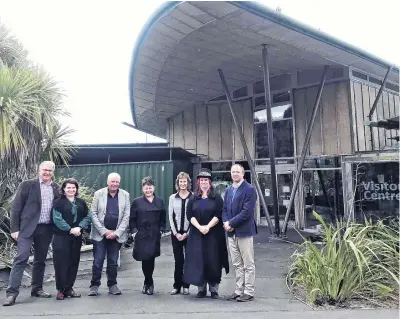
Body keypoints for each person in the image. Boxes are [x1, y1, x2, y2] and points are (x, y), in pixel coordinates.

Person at [3, 161, 60, 307]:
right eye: (44, 170)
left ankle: (37, 289)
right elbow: (16, 207)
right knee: (21, 257)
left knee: (40, 260)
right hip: (26, 228)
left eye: (49, 170)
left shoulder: (55, 188)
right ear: (39, 170)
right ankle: (11, 294)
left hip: (46, 229)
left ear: (52, 172)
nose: (46, 172)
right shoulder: (28, 185)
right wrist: (14, 229)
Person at [183, 168, 229, 299]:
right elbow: (189, 215)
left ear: (210, 182)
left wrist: (208, 226)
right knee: (199, 261)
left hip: (213, 235)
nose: (204, 182)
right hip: (197, 235)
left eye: (206, 180)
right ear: (198, 182)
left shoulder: (216, 197)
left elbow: (219, 214)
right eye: (201, 180)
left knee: (213, 261)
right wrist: (199, 227)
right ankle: (201, 288)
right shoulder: (193, 198)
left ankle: (214, 289)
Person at [88, 173, 130, 296]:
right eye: (112, 182)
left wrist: (116, 233)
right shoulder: (98, 194)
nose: (115, 184)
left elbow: (126, 216)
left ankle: (112, 285)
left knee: (113, 262)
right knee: (98, 261)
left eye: (117, 182)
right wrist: (104, 231)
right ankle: (94, 285)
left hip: (116, 235)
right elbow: (93, 214)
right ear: (107, 182)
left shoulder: (125, 195)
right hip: (100, 234)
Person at [52, 178, 92, 300]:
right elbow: (57, 219)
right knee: (61, 263)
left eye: (73, 187)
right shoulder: (58, 202)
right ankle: (60, 289)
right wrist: (70, 229)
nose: (71, 189)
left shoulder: (81, 202)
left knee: (73, 262)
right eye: (68, 187)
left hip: (76, 237)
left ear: (76, 189)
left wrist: (79, 227)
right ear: (64, 189)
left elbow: (88, 216)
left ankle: (69, 288)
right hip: (61, 237)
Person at [222, 164, 257, 302]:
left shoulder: (249, 189)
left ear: (243, 174)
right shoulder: (229, 190)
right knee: (237, 264)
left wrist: (231, 223)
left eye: (237, 172)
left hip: (244, 232)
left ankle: (248, 291)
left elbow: (246, 212)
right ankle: (238, 291)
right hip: (231, 233)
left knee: (248, 264)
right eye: (233, 172)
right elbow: (224, 209)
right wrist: (226, 222)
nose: (235, 174)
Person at [130, 176, 166, 296]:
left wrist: (161, 230)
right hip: (142, 234)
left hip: (154, 233)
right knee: (145, 259)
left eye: (150, 187)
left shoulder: (159, 201)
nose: (148, 190)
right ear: (142, 188)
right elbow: (132, 219)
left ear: (153, 187)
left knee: (151, 258)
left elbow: (163, 218)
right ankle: (149, 282)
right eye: (146, 188)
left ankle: (148, 282)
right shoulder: (137, 202)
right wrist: (134, 232)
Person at [168, 172, 192, 295]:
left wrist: (187, 233)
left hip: (189, 234)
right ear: (178, 183)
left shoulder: (193, 197)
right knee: (178, 261)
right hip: (176, 234)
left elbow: (194, 216)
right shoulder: (172, 198)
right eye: (180, 181)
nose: (183, 184)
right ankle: (177, 285)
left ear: (188, 183)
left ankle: (186, 286)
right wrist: (176, 233)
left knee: (188, 260)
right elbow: (171, 217)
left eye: (185, 181)